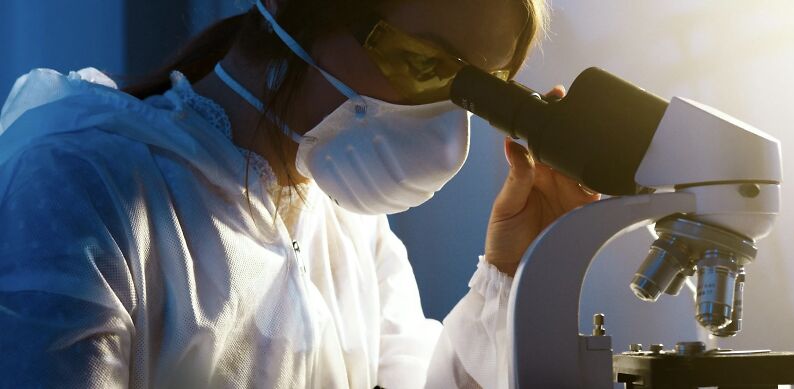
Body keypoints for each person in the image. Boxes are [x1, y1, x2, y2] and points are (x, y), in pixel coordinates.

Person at [0, 0, 597, 387]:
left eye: (475, 92)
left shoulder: (348, 225)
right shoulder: (83, 183)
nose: (442, 120)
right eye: (423, 62)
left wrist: (509, 270)